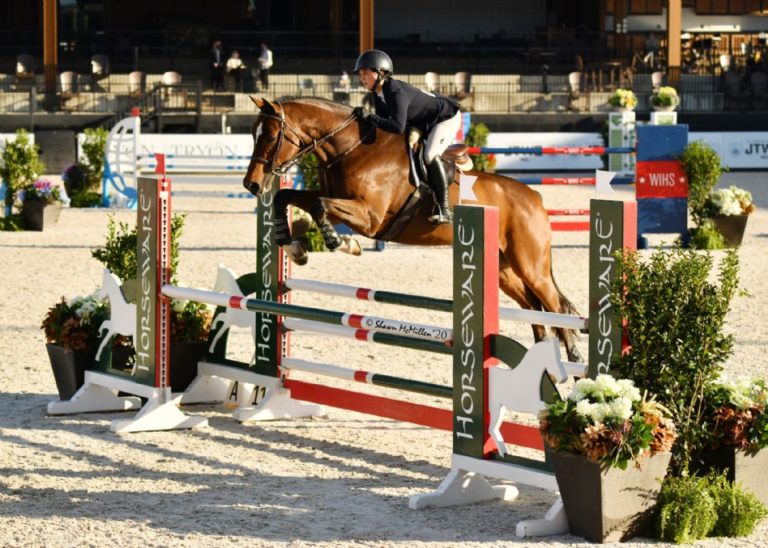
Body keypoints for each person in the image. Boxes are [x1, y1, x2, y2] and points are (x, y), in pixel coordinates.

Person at [353, 49, 460, 225]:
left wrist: (369, 117)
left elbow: (396, 126)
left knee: (429, 155)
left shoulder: (394, 91)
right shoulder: (377, 93)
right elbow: (384, 124)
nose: (362, 78)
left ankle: (444, 208)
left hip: (445, 118)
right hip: (421, 121)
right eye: (360, 74)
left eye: (366, 73)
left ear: (381, 72)